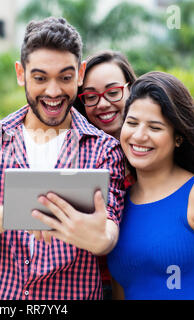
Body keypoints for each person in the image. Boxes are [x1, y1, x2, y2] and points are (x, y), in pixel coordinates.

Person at [0, 17, 125, 300]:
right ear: (21, 74)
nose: (54, 91)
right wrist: (25, 210)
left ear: (80, 74)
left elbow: (108, 228)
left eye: (65, 77)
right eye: (40, 78)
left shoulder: (103, 149)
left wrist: (100, 238)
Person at [107, 71, 194, 299]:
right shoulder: (117, 202)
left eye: (155, 127)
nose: (139, 135)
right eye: (132, 123)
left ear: (178, 137)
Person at [74, 50, 137, 299]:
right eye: (91, 96)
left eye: (113, 92)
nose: (102, 104)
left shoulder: (156, 154)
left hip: (145, 280)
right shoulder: (73, 154)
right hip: (91, 285)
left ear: (131, 90)